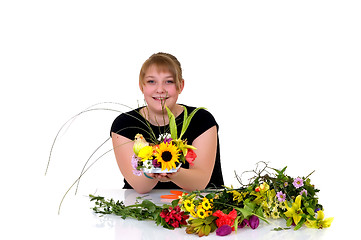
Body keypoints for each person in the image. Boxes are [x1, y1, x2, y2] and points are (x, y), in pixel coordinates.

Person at [111, 52, 223, 194]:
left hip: (201, 206)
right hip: (141, 207)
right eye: (152, 81)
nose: (160, 89)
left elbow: (200, 182)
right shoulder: (124, 124)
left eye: (168, 81)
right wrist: (155, 170)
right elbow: (140, 186)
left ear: (180, 86)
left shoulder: (201, 120)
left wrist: (172, 171)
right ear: (141, 86)